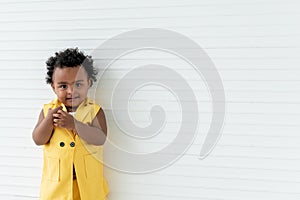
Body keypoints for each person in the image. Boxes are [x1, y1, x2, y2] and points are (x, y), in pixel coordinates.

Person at [32, 48, 109, 200]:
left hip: (87, 186)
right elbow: (38, 139)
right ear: (53, 87)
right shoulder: (48, 111)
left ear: (89, 83)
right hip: (57, 187)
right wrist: (48, 120)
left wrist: (74, 124)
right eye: (63, 86)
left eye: (78, 84)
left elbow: (100, 139)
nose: (71, 91)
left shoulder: (95, 111)